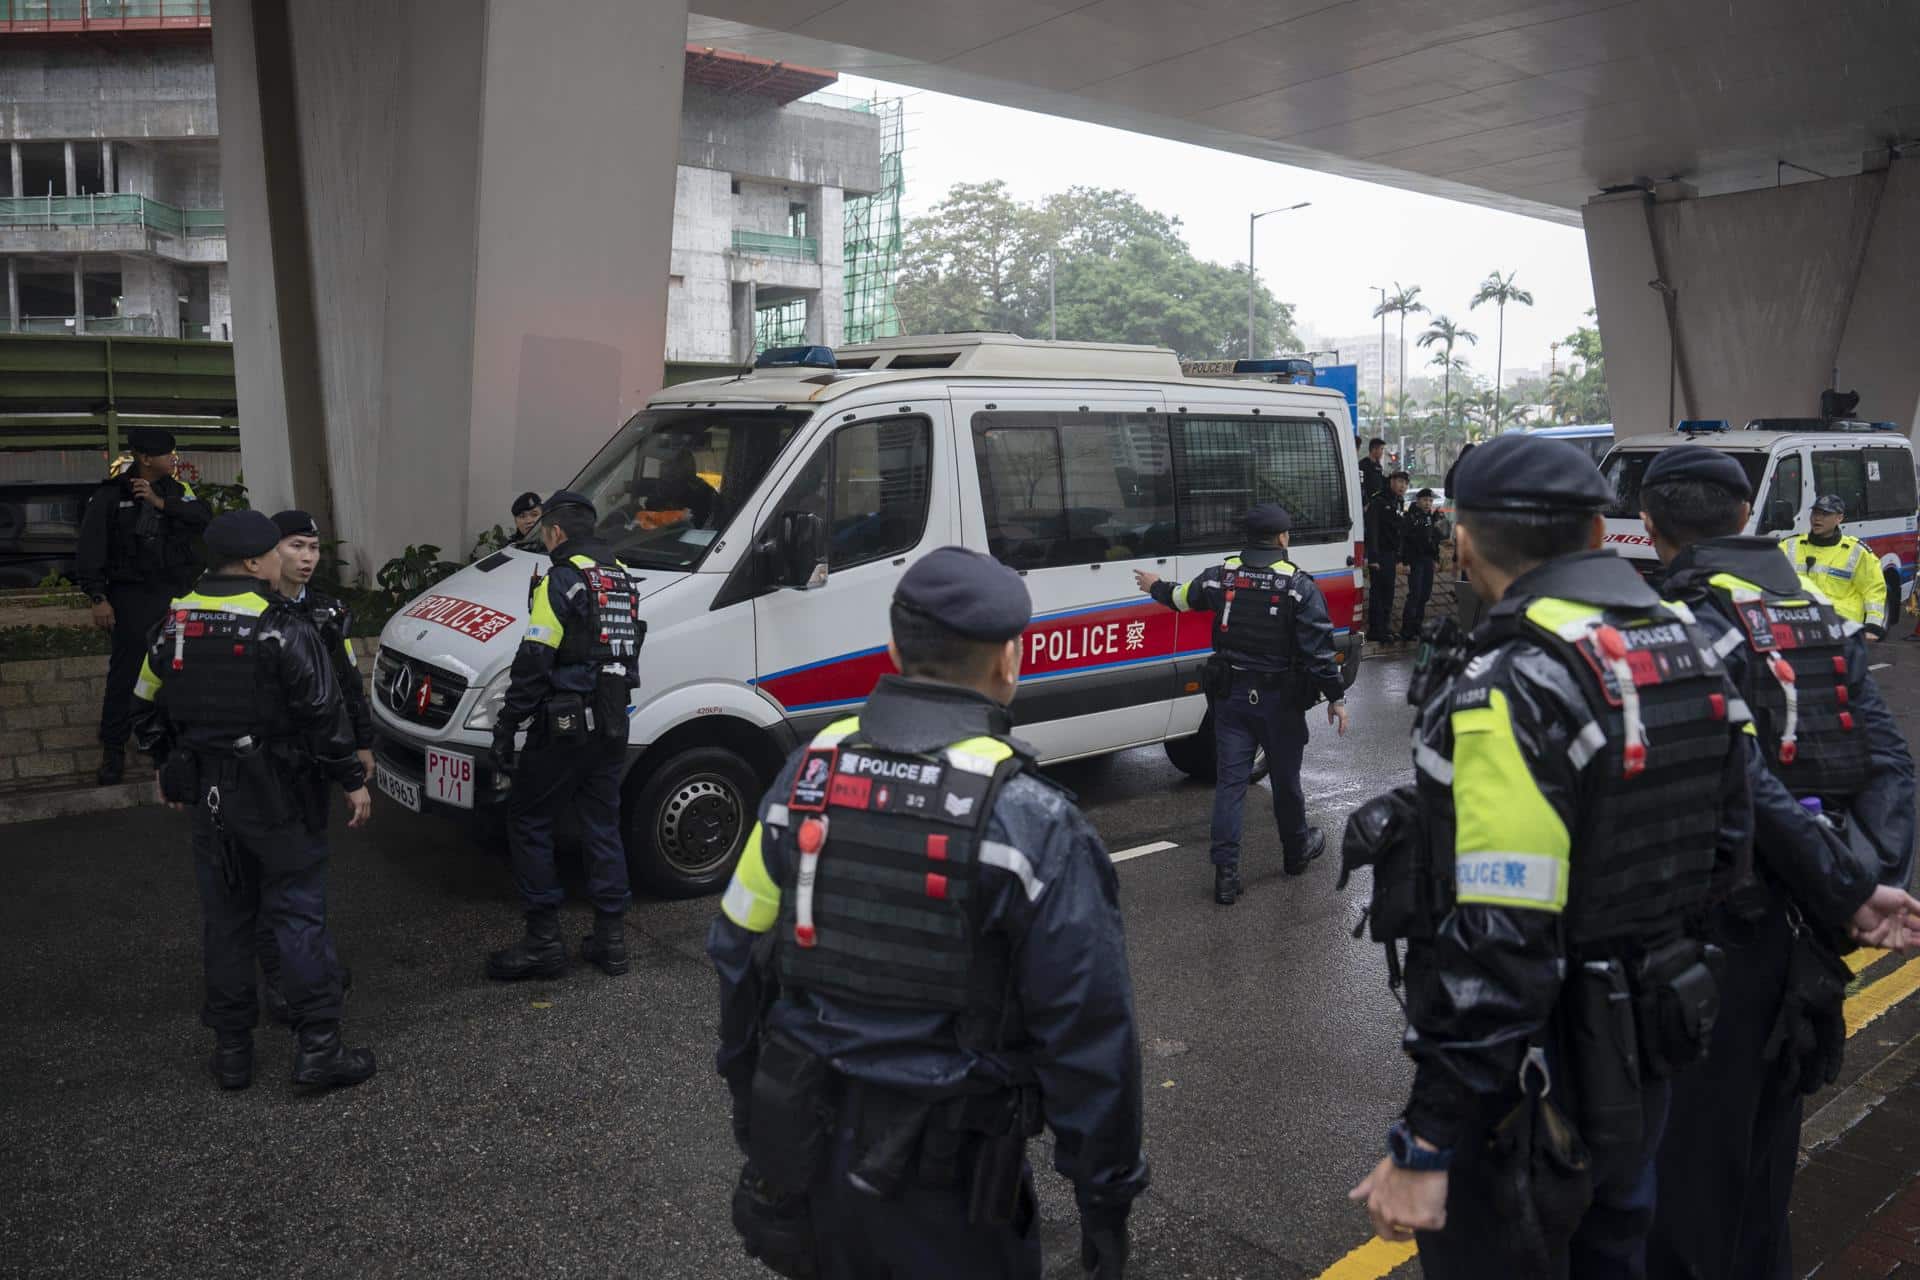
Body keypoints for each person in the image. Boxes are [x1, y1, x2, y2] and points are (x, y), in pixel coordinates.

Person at [1346, 433, 1754, 1276]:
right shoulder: (1687, 640)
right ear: (1600, 536)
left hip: (1530, 1083)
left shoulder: (1510, 681)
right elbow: (1731, 845)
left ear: (1461, 540)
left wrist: (1427, 1138)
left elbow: (1503, 935)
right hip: (1649, 1038)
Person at [708, 546, 1148, 1280]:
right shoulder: (1028, 820)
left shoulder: (806, 777)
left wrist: (759, 1108)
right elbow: (1089, 1031)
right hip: (953, 1183)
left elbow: (736, 950)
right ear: (1011, 660)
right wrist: (1106, 1195)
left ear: (892, 649)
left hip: (808, 1149)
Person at [1638, 447, 1920, 1280]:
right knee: (1762, 1177)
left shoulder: (1675, 624)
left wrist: (1845, 887)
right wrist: (1864, 883)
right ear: (1746, 519)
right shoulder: (1814, 616)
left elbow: (1732, 774)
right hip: (1798, 943)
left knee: (1687, 1188)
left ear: (1650, 530)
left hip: (1709, 939)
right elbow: (1889, 761)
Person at [129, 510, 376, 1092]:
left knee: (227, 922)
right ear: (251, 563)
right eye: (273, 552)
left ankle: (234, 1053)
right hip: (279, 793)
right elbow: (323, 710)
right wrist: (351, 777)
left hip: (209, 798)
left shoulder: (174, 622)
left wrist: (169, 763)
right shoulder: (280, 623)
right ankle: (319, 1049)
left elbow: (143, 703)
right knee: (297, 914)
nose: (283, 561)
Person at [1134, 504, 1350, 905]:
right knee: (1286, 782)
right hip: (1280, 702)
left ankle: (1226, 876)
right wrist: (1335, 697)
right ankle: (1295, 853)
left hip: (1231, 699)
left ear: (1247, 538)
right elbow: (1319, 651)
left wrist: (1154, 585)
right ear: (1283, 538)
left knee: (1231, 785)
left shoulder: (1221, 575)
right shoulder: (1298, 585)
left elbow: (1182, 598)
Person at [485, 489, 643, 981]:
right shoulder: (620, 577)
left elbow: (535, 660)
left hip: (564, 726)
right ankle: (611, 941)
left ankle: (543, 943)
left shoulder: (563, 580)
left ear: (555, 532)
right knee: (601, 823)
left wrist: (507, 726)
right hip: (613, 725)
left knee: (529, 819)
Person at [257, 509, 373, 1025]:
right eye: (294, 547)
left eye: (312, 548)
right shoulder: (252, 610)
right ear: (268, 552)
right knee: (272, 874)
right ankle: (281, 978)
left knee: (307, 868)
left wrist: (362, 744)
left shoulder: (328, 611)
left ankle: (310, 966)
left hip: (315, 759)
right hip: (263, 762)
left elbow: (347, 681)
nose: (306, 558)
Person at [76, 427, 211, 785]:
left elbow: (203, 518)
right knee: (126, 674)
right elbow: (91, 550)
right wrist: (98, 597)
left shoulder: (178, 491)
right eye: (167, 454)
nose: (174, 458)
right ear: (145, 458)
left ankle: (173, 746)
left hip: (175, 594)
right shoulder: (110, 495)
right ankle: (114, 749)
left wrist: (159, 503)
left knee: (179, 671)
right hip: (131, 596)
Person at [1780, 494, 1890, 639]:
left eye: (1825, 514)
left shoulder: (1857, 551)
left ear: (1839, 518)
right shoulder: (1789, 546)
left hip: (1843, 631)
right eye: (1815, 513)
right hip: (1799, 629)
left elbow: (1873, 590)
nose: (1817, 518)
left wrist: (1873, 626)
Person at [1364, 470, 1411, 642]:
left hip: (1391, 554)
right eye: (1400, 481)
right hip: (1380, 553)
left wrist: (1400, 556)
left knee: (1388, 593)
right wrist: (1373, 557)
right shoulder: (1379, 500)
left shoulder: (1398, 501)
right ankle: (1375, 630)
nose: (1403, 486)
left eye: (1405, 483)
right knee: (1378, 593)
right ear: (1391, 481)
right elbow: (1373, 530)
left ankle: (1385, 627)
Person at [1400, 487, 1447, 641]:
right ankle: (1407, 630)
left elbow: (1434, 540)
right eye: (1425, 500)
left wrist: (1435, 559)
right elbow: (1405, 541)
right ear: (1418, 500)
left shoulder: (1429, 517)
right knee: (1415, 594)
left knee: (1425, 595)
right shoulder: (1411, 516)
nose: (1428, 503)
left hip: (1427, 560)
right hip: (1415, 560)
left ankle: (1417, 627)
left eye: (1431, 500)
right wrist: (1405, 561)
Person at [1360, 437, 1388, 506]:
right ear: (1374, 449)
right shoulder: (1363, 465)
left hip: (1377, 503)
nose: (1382, 452)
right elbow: (1361, 486)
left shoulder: (1378, 466)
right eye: (1381, 449)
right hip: (1367, 503)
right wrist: (1366, 502)